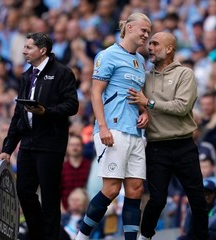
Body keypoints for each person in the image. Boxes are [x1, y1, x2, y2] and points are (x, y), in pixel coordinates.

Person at [75, 12, 151, 240]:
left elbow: (138, 95)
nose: (147, 35)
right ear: (128, 28)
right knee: (111, 189)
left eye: (149, 31)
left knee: (136, 188)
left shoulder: (140, 61)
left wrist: (145, 111)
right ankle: (82, 235)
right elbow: (96, 92)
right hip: (113, 130)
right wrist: (103, 127)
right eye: (143, 30)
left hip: (136, 132)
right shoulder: (108, 55)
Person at [128, 31, 209, 240]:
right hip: (156, 146)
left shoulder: (185, 74)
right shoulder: (145, 77)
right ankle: (144, 237)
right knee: (156, 200)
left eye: (155, 44)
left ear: (170, 48)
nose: (150, 48)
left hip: (184, 145)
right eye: (150, 44)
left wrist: (149, 103)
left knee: (198, 199)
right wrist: (144, 111)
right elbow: (138, 104)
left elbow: (181, 107)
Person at [0, 32, 79, 240]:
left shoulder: (62, 73)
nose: (23, 51)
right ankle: (38, 235)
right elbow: (18, 114)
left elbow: (72, 105)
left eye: (28, 47)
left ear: (42, 51)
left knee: (50, 197)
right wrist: (7, 148)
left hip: (50, 144)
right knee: (24, 191)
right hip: (27, 143)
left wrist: (47, 111)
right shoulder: (27, 75)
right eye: (24, 47)